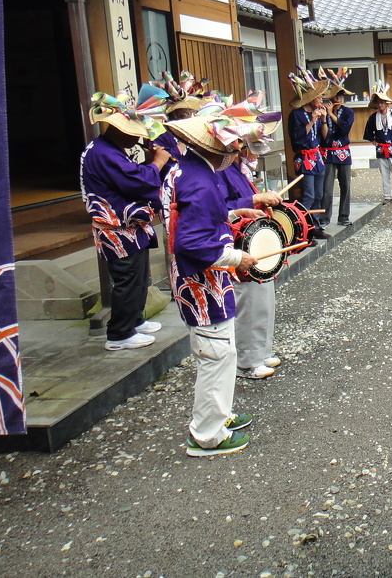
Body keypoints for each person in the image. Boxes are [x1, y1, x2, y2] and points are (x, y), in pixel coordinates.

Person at [163, 112, 265, 456]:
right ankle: (207, 434)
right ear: (215, 148)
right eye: (232, 147)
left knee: (221, 349)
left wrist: (235, 213)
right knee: (215, 352)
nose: (236, 152)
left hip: (199, 276)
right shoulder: (201, 182)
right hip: (201, 279)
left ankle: (219, 415)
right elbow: (191, 242)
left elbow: (202, 218)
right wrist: (237, 257)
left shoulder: (187, 170)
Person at [80, 92, 170, 350]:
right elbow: (135, 182)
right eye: (134, 134)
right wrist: (157, 163)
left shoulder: (109, 149)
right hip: (115, 227)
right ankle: (119, 334)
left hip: (128, 226)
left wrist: (151, 163)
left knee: (139, 276)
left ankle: (135, 320)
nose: (138, 139)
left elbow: (132, 177)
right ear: (118, 130)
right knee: (127, 279)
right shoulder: (103, 153)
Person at [219, 140, 283, 380]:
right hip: (238, 240)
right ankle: (247, 361)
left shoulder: (235, 167)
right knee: (248, 300)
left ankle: (261, 352)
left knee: (263, 298)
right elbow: (221, 207)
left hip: (251, 237)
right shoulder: (219, 169)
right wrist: (253, 200)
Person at [287, 70, 329, 235]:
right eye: (319, 98)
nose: (321, 101)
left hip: (316, 156)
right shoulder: (296, 115)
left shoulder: (318, 113)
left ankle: (316, 227)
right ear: (311, 98)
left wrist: (323, 120)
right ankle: (303, 229)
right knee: (308, 195)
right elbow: (296, 137)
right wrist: (312, 121)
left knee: (319, 194)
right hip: (304, 157)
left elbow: (325, 137)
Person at [320, 80, 355, 227]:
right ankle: (324, 218)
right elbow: (323, 135)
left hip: (343, 152)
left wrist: (331, 114)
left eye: (341, 95)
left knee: (345, 186)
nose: (339, 97)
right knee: (327, 188)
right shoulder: (323, 111)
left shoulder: (348, 112)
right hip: (328, 152)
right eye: (336, 95)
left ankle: (344, 216)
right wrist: (325, 116)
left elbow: (345, 129)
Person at [364, 83, 392, 203]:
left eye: (382, 102)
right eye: (378, 103)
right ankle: (387, 196)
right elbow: (368, 132)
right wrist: (373, 141)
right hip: (381, 149)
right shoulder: (373, 117)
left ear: (386, 103)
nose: (380, 105)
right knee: (384, 174)